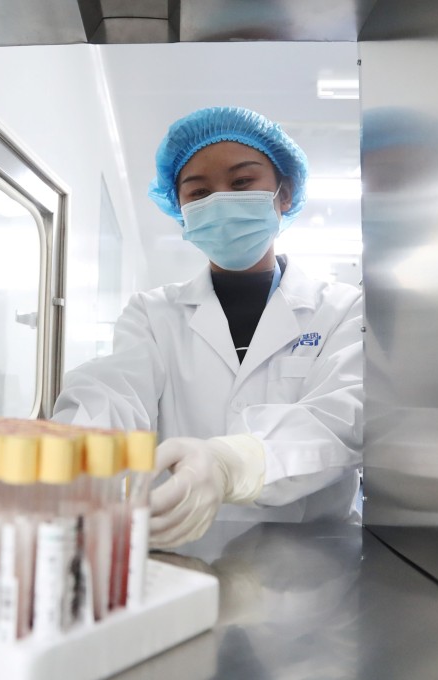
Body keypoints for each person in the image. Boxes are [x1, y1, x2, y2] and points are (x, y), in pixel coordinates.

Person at [52, 107, 363, 548]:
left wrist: (232, 463)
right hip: (182, 549)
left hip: (312, 558)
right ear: (180, 212)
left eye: (241, 183)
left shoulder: (342, 309)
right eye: (198, 193)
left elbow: (345, 418)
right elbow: (114, 390)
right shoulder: (153, 313)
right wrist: (77, 450)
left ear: (284, 193)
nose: (219, 202)